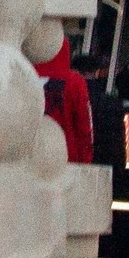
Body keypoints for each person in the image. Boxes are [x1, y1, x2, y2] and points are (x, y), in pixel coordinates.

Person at [35, 31, 93, 165]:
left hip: (25, 162)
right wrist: (85, 160)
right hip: (66, 160)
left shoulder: (22, 78)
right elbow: (84, 128)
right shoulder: (75, 82)